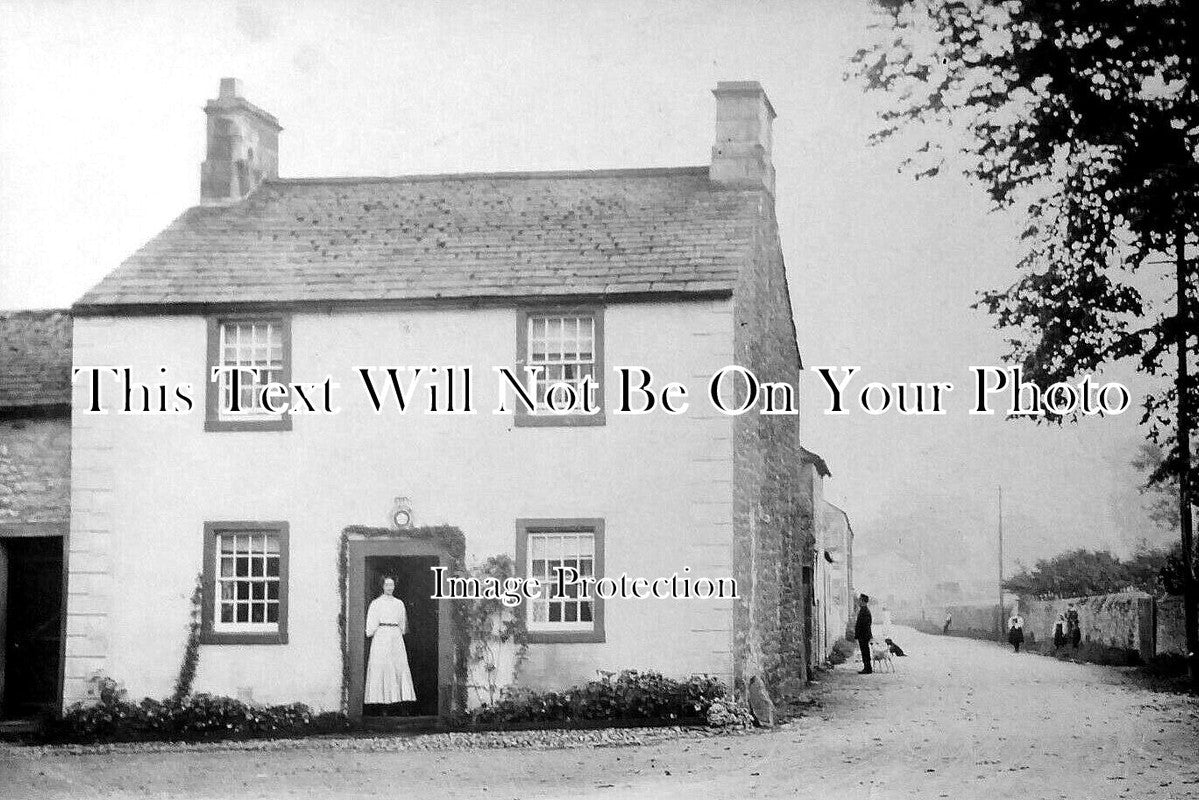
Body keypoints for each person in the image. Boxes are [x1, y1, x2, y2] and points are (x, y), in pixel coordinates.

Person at [365, 576, 417, 706]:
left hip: (395, 636)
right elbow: (370, 627)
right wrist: (374, 631)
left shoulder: (399, 603)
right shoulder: (375, 603)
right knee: (382, 665)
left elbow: (403, 625)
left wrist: (398, 631)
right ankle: (381, 701)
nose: (390, 587)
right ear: (382, 586)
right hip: (381, 635)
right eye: (387, 585)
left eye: (392, 585)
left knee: (397, 665)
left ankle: (398, 700)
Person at [854, 594, 874, 674]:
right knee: (865, 651)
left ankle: (867, 668)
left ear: (863, 601)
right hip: (863, 635)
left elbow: (865, 625)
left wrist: (863, 635)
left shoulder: (865, 611)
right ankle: (867, 668)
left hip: (864, 635)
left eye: (860, 600)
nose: (858, 601)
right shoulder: (864, 610)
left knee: (865, 651)